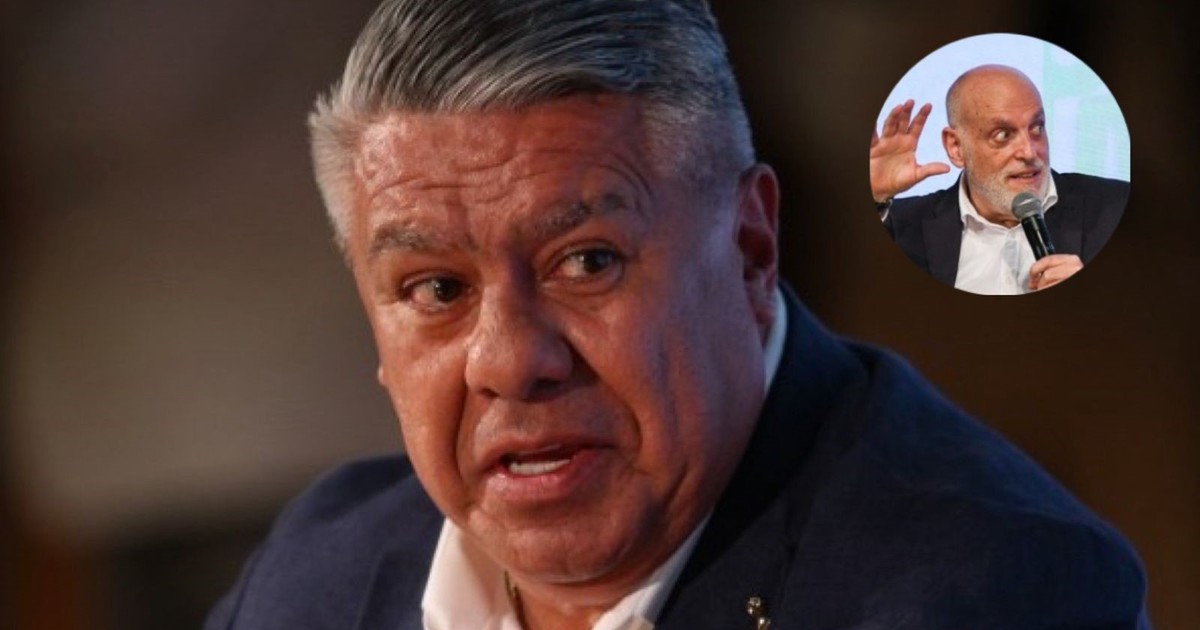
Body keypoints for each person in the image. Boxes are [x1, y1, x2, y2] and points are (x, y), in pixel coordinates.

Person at [206, 2, 1150, 628]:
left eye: (587, 262)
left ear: (750, 248)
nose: (509, 361)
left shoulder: (1001, 591)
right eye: (438, 290)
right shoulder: (313, 575)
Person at [869, 64, 1129, 294]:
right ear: (956, 147)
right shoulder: (901, 226)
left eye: (1036, 128)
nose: (1029, 152)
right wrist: (875, 196)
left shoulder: (1115, 207)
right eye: (1003, 135)